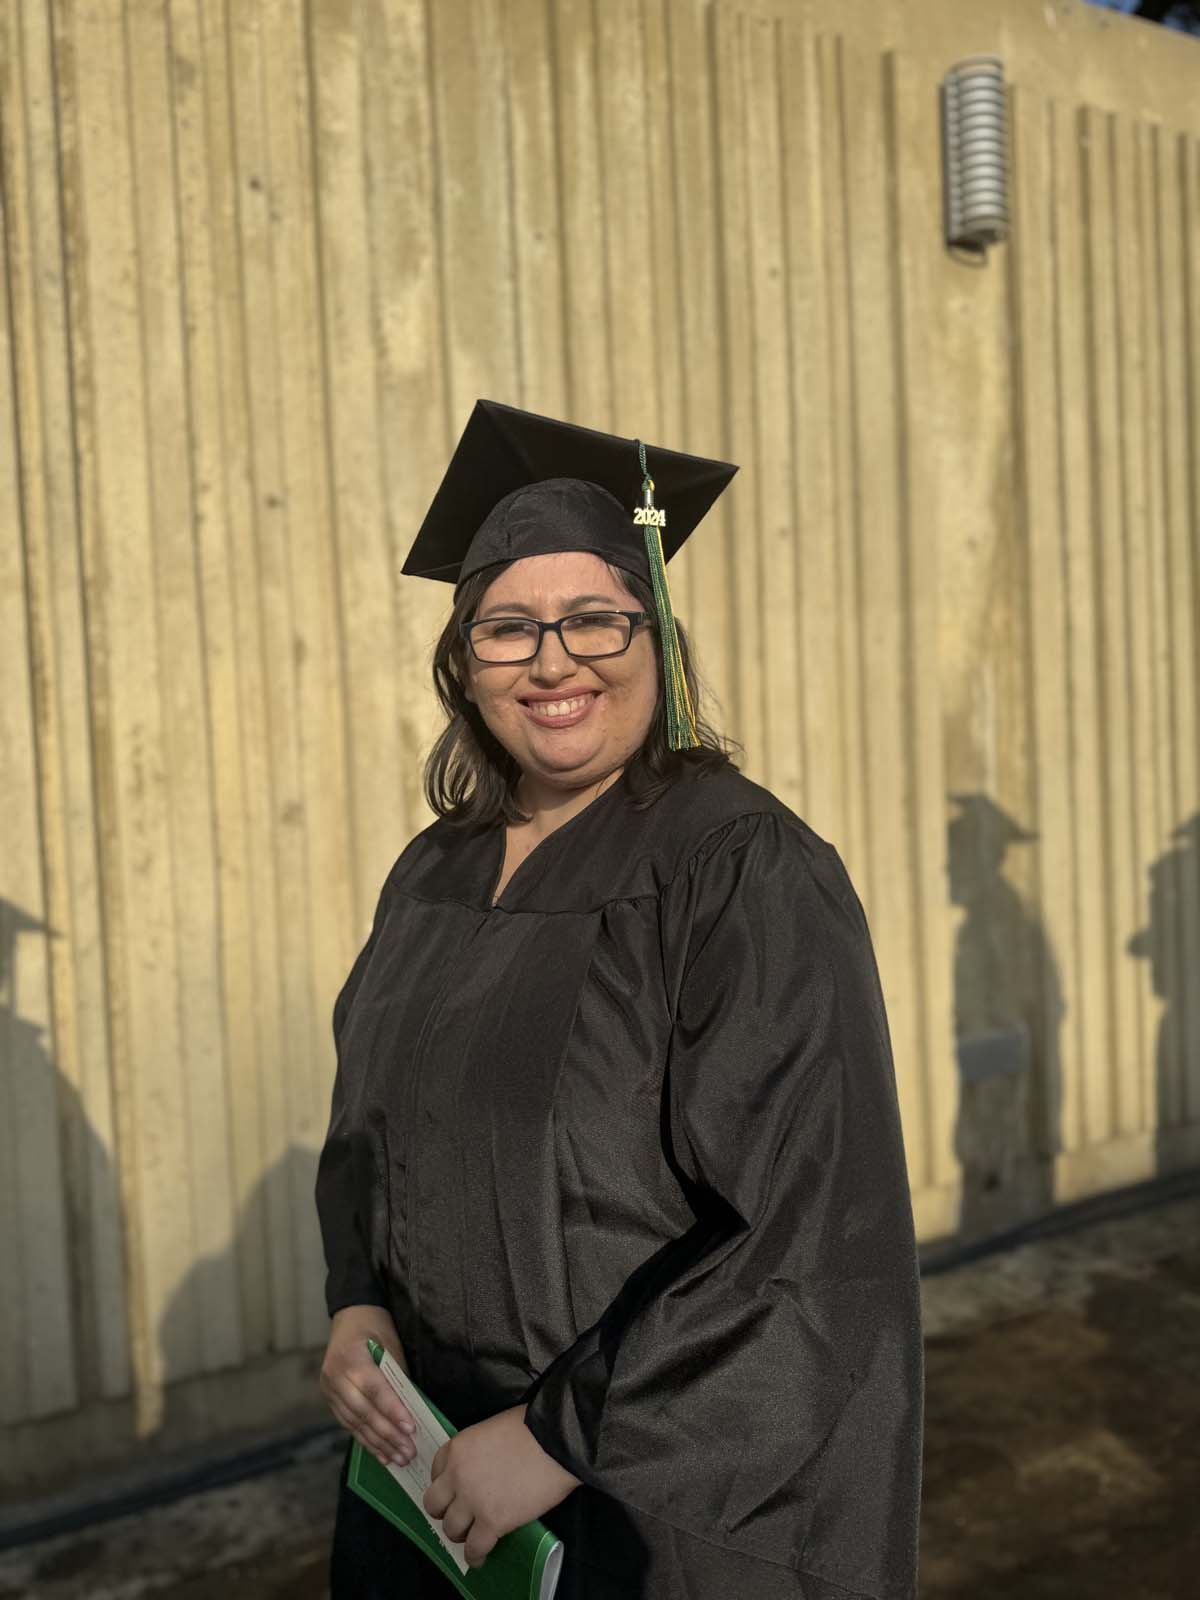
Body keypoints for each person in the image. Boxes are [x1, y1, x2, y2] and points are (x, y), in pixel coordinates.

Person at [315, 400, 923, 1600]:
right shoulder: (433, 871)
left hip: (653, 1496)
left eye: (595, 618)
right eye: (508, 628)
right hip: (437, 1476)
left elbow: (809, 1239)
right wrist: (357, 1300)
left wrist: (553, 1438)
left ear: (656, 637)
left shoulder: (738, 869)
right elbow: (367, 1129)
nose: (553, 660)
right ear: (462, 661)